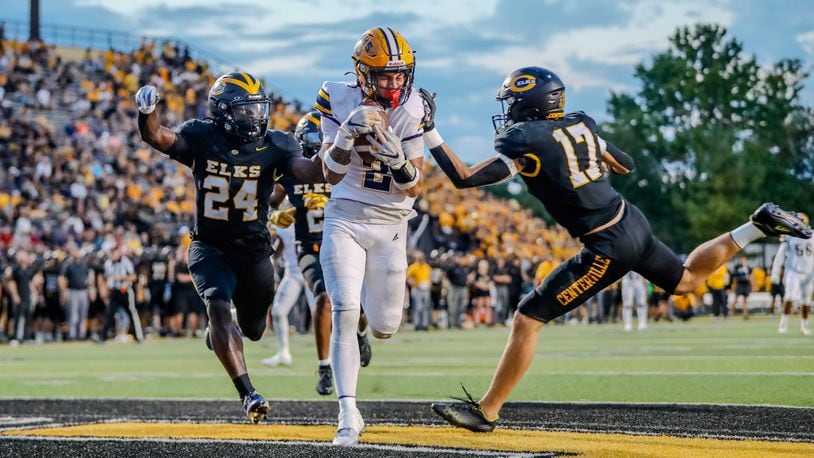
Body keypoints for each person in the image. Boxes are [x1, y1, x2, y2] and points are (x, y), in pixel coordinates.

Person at [418, 66, 813, 432]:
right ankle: (756, 225)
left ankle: (486, 411)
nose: (508, 110)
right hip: (630, 220)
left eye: (511, 101)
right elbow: (624, 164)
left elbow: (464, 177)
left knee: (527, 318)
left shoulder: (525, 141)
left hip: (607, 242)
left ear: (528, 102)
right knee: (688, 280)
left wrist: (430, 130)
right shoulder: (581, 124)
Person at [135, 71, 325, 423]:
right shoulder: (202, 137)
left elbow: (310, 171)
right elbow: (157, 137)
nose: (253, 117)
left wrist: (337, 146)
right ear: (222, 112)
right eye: (244, 110)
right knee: (218, 307)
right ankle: (248, 394)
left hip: (254, 249)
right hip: (210, 246)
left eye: (256, 109)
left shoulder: (278, 145)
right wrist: (147, 111)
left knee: (254, 329)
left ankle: (224, 332)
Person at [315, 27, 425, 445]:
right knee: (342, 306)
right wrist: (345, 134)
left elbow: (415, 185)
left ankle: (367, 322)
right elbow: (329, 173)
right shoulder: (334, 97)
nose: (394, 84)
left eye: (400, 75)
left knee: (384, 327)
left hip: (392, 225)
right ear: (362, 74)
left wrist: (398, 159)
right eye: (384, 76)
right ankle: (348, 413)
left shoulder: (413, 107)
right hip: (344, 215)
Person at [262, 111, 373, 396]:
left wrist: (330, 200)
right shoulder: (291, 170)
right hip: (310, 246)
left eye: (319, 140)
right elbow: (268, 201)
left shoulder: (345, 166)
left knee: (357, 305)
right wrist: (273, 215)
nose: (315, 148)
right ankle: (324, 366)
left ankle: (361, 332)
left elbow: (365, 202)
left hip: (344, 245)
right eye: (310, 142)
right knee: (323, 299)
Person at [772, 214, 814, 335]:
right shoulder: (789, 236)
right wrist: (776, 271)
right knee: (789, 297)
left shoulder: (812, 235)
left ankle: (804, 326)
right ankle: (783, 323)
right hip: (793, 271)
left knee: (806, 301)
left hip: (809, 272)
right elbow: (780, 255)